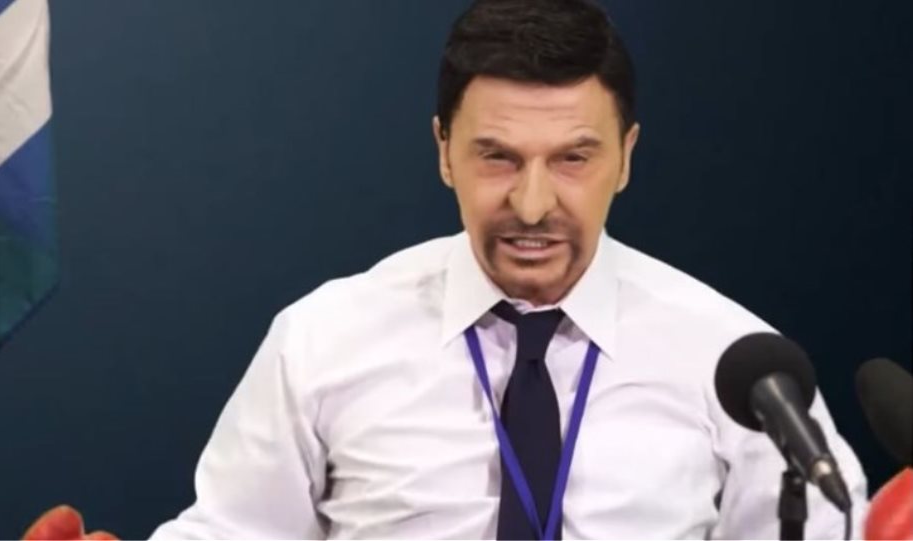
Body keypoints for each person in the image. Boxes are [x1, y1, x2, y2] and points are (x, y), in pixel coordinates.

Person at [52, 0, 870, 538]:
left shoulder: (734, 362)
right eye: (496, 156)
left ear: (625, 156)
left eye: (573, 158)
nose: (532, 203)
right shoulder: (323, 339)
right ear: (443, 150)